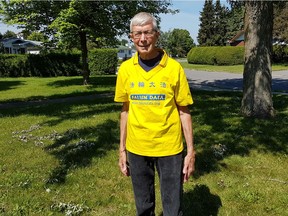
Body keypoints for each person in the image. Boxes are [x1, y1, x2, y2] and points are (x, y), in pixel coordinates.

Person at [114, 12, 195, 216]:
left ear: (157, 34)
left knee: (172, 207)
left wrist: (191, 151)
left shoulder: (174, 69)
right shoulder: (125, 70)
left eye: (147, 33)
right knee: (143, 206)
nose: (142, 39)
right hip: (137, 146)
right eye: (137, 34)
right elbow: (126, 110)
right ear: (131, 37)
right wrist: (122, 149)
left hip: (169, 147)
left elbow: (183, 111)